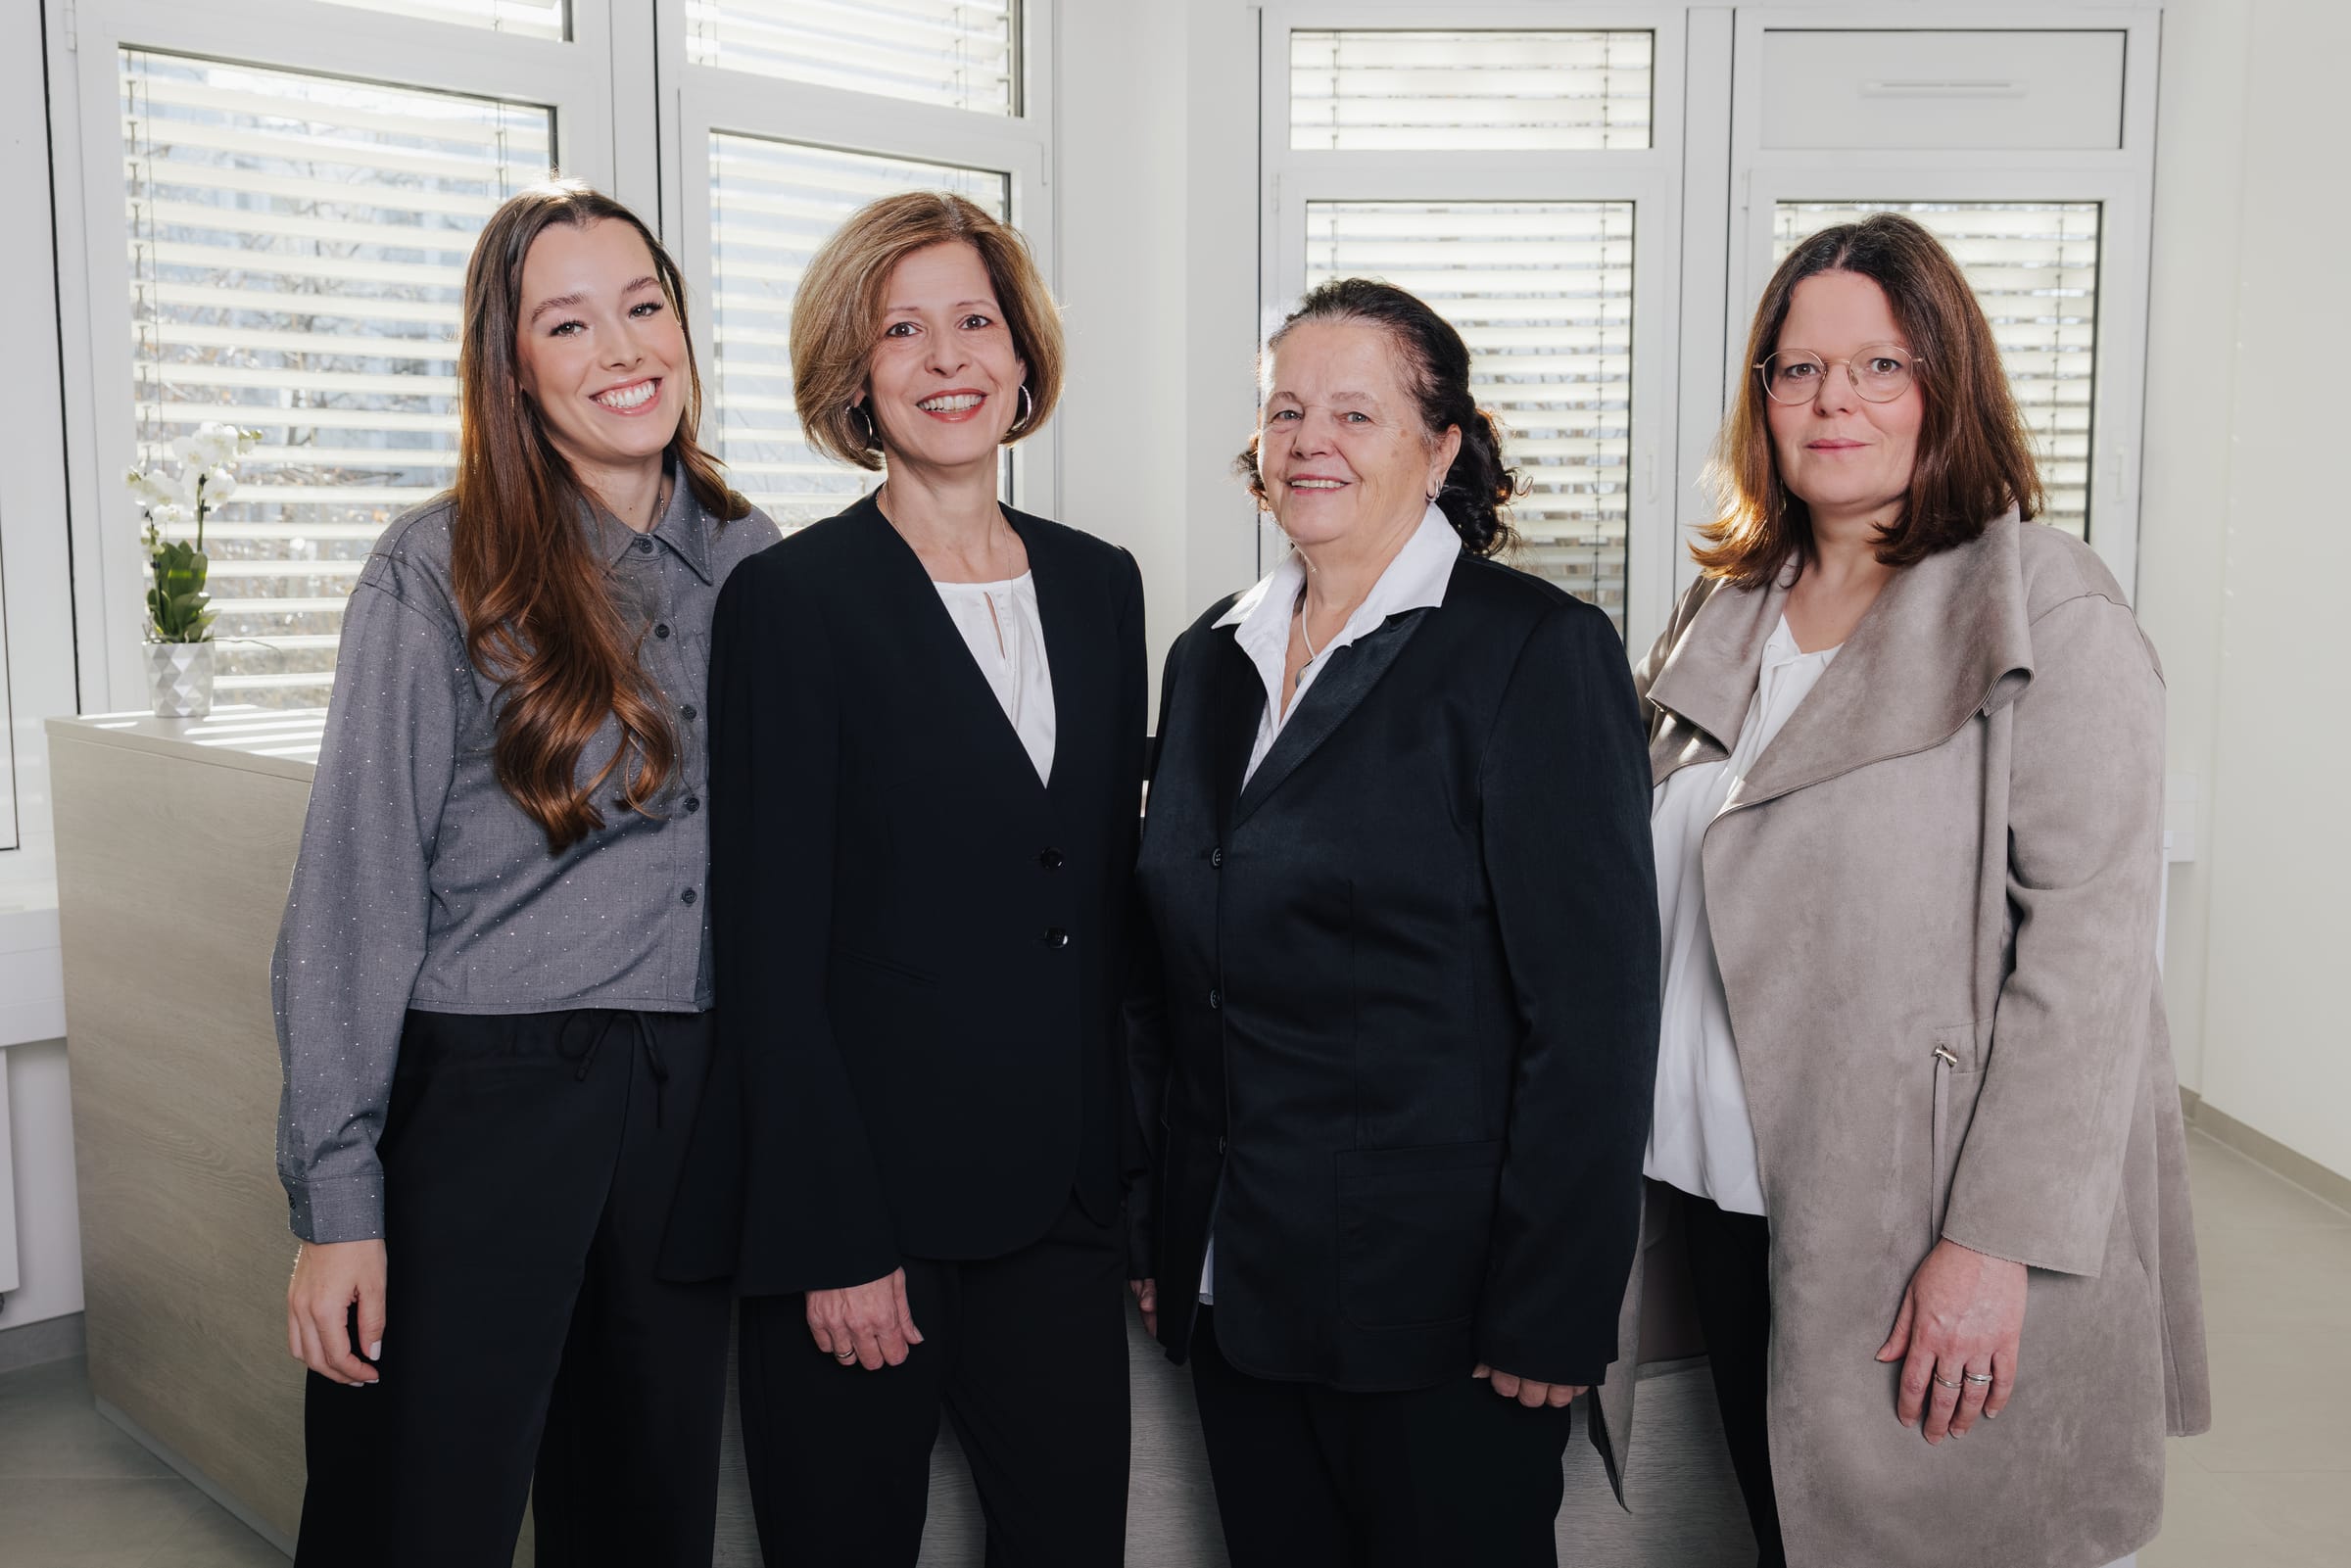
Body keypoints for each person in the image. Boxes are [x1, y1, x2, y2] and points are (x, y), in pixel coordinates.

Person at [1610, 213, 2209, 1568]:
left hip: (1921, 1213)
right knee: (1791, 1535)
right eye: (1798, 368)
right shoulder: (1727, 611)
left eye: (1879, 367)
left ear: (1948, 383)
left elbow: (2091, 958)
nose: (1834, 403)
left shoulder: (2045, 607)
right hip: (1728, 1191)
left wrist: (1992, 1244)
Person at [274, 180, 778, 1565]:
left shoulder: (757, 563)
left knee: (645, 1519)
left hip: (683, 1103)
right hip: (485, 1103)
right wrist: (337, 1208)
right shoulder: (434, 568)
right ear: (512, 366)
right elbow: (352, 898)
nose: (624, 351)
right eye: (570, 323)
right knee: (415, 1518)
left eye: (645, 306)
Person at [1125, 277, 1660, 1568]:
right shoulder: (1211, 657)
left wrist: (1554, 1305)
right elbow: (1170, 973)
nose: (1312, 440)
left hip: (1447, 1312)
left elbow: (1591, 1011)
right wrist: (1163, 1223)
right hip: (1238, 1285)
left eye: (1357, 412)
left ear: (1442, 446)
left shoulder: (1535, 652)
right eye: (1287, 410)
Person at [659, 192, 1147, 1567]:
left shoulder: (1103, 586)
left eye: (977, 323)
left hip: (1059, 1207)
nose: (950, 360)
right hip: (867, 1210)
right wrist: (832, 1234)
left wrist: (1133, 1182)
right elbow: (770, 945)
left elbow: (1099, 907)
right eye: (905, 331)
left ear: (1022, 354)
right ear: (856, 376)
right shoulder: (793, 599)